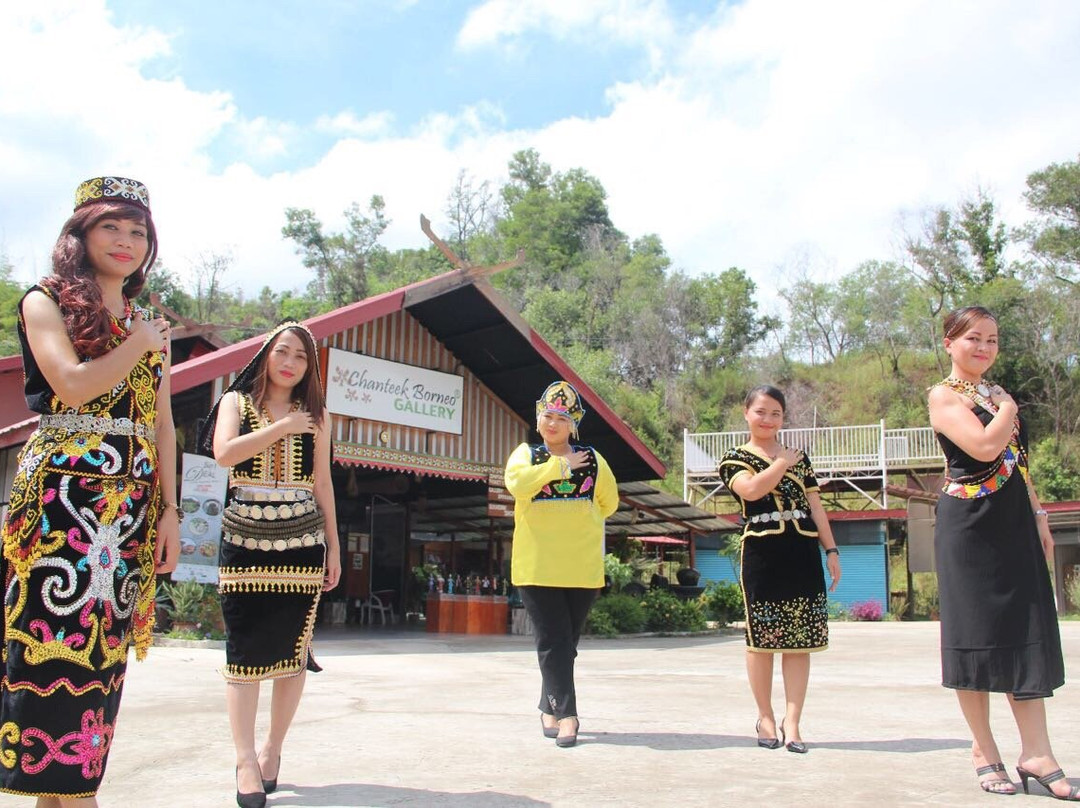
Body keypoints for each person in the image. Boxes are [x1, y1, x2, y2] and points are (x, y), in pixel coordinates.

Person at [0, 176, 179, 806]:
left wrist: (170, 511)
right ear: (80, 234)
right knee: (51, 645)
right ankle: (64, 792)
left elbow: (161, 423)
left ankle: (76, 789)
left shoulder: (144, 320)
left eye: (139, 232)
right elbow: (71, 385)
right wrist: (137, 344)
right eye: (113, 227)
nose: (127, 241)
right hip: (60, 501)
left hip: (129, 511)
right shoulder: (44, 300)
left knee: (103, 655)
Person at [928, 306, 1073, 799]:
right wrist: (1009, 407)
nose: (984, 348)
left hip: (1015, 522)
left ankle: (1037, 752)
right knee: (976, 636)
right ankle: (983, 750)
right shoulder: (943, 396)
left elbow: (1019, 463)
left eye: (992, 339)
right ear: (949, 342)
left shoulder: (994, 393)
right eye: (974, 338)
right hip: (969, 526)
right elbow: (986, 446)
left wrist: (1039, 517)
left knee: (1026, 630)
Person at [199, 320, 340, 808]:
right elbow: (223, 454)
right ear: (265, 356)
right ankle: (243, 760)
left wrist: (335, 549)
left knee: (292, 652)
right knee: (243, 650)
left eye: (301, 357)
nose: (290, 363)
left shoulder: (317, 417)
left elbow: (323, 485)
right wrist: (281, 428)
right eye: (283, 352)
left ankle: (272, 750)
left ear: (310, 368)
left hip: (303, 544)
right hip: (243, 541)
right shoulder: (236, 403)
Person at [717, 385, 840, 754]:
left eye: (776, 414)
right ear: (746, 413)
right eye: (761, 412)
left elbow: (816, 507)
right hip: (762, 553)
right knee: (762, 641)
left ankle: (794, 721)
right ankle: (765, 716)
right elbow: (752, 491)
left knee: (799, 640)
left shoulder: (801, 458)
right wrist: (782, 462)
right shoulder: (735, 457)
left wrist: (831, 549)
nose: (768, 420)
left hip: (802, 551)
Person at [505, 381, 618, 748]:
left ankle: (547, 706)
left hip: (582, 568)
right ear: (538, 421)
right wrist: (559, 466)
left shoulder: (594, 459)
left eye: (561, 417)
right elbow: (517, 485)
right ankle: (568, 715)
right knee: (553, 641)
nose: (552, 423)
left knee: (566, 644)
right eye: (547, 416)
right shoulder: (526, 454)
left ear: (574, 424)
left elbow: (609, 502)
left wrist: (577, 522)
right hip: (537, 566)